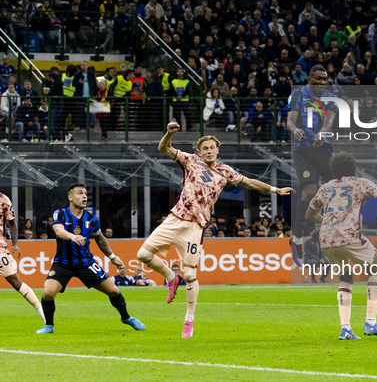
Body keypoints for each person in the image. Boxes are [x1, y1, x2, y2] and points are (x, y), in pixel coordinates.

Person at [136, 125, 292, 338]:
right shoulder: (190, 160)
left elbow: (250, 183)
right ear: (199, 151)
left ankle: (189, 320)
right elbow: (164, 148)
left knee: (191, 274)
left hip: (195, 226)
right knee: (143, 255)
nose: (208, 150)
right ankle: (171, 277)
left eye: (212, 147)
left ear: (217, 150)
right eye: (205, 148)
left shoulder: (225, 171)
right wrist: (170, 133)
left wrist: (275, 189)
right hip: (175, 219)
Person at [306, 152, 377, 339]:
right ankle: (371, 323)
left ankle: (345, 328)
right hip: (349, 235)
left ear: (333, 169)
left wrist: (327, 221)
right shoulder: (360, 183)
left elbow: (309, 215)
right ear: (353, 167)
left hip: (327, 239)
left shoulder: (325, 188)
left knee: (346, 278)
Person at [36, 183, 146, 334]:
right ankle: (49, 325)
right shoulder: (60, 214)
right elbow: (58, 230)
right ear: (70, 197)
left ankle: (126, 317)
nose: (84, 197)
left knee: (113, 291)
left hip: (86, 263)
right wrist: (72, 236)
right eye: (80, 193)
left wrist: (112, 257)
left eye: (86, 194)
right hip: (62, 263)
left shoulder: (92, 219)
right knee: (48, 293)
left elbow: (100, 240)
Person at [287, 65, 337, 267]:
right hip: (303, 152)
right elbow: (290, 121)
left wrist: (322, 132)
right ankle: (296, 239)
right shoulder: (298, 94)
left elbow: (329, 120)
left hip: (324, 151)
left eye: (324, 79)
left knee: (338, 192)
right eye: (318, 79)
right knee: (309, 193)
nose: (322, 82)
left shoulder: (330, 97)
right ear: (309, 79)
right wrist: (295, 130)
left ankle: (335, 232)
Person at [0, 192, 45, 323]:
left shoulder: (4, 200)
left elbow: (12, 224)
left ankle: (42, 312)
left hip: (0, 249)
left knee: (15, 281)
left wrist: (14, 244)